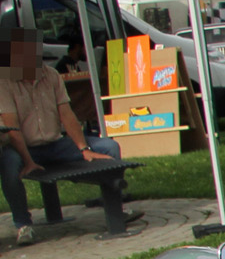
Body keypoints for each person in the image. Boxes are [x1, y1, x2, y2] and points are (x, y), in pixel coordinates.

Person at [0, 27, 131, 244]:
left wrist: (84, 149)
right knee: (8, 166)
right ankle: (23, 224)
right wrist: (29, 161)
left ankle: (116, 206)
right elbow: (11, 129)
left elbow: (67, 114)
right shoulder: (4, 82)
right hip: (24, 147)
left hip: (56, 143)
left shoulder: (51, 75)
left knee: (109, 147)